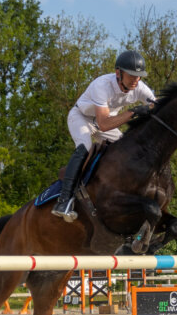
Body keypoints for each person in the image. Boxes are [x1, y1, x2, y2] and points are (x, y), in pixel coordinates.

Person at [52, 50, 156, 221]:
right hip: (82, 118)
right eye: (131, 75)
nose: (136, 80)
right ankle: (63, 200)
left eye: (139, 76)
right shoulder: (102, 85)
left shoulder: (140, 88)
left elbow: (158, 107)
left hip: (106, 122)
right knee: (84, 148)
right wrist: (133, 112)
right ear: (118, 73)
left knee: (128, 151)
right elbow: (104, 124)